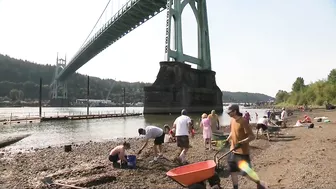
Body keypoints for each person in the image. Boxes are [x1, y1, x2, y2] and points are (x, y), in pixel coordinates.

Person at [225, 104, 267, 189]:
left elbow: (252, 136)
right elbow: (232, 132)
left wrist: (242, 142)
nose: (228, 114)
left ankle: (259, 183)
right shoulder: (232, 120)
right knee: (232, 171)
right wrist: (227, 140)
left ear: (235, 111)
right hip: (233, 150)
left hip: (242, 153)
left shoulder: (243, 121)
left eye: (229, 112)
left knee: (245, 173)